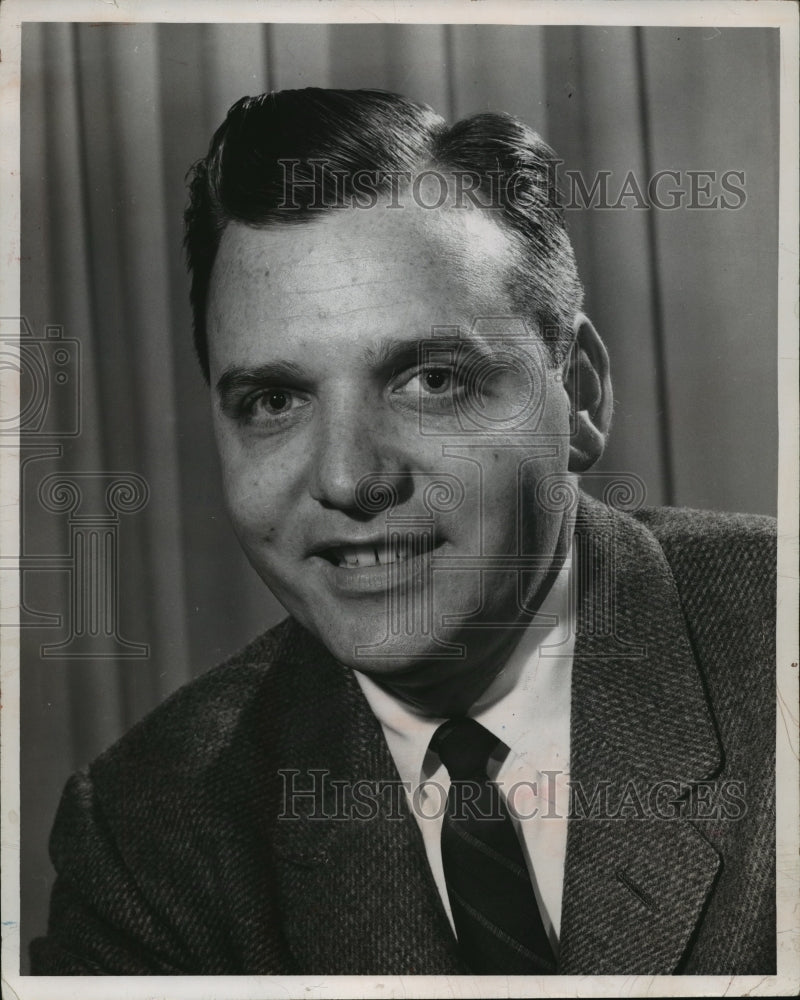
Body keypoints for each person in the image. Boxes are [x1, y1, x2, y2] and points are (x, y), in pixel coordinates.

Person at [30, 88, 776, 976]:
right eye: (274, 401)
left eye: (430, 380)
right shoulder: (150, 836)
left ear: (577, 395)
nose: (349, 478)